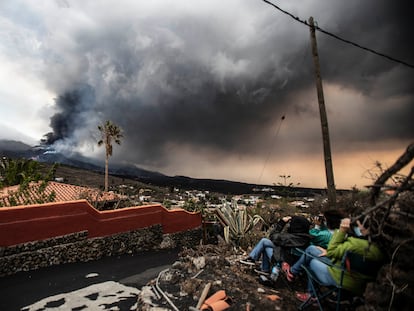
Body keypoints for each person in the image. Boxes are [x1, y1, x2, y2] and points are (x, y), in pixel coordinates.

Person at [295, 217, 385, 302]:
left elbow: (331, 251)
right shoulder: (381, 249)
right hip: (359, 283)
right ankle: (293, 272)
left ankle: (311, 294)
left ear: (366, 228)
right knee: (312, 250)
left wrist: (341, 231)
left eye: (358, 226)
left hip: (343, 280)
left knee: (312, 261)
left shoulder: (356, 244)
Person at [281, 209, 345, 281]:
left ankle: (292, 271)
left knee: (309, 250)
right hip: (331, 256)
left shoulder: (325, 235)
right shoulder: (337, 232)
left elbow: (308, 236)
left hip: (328, 259)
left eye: (324, 219)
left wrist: (317, 227)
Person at [240, 215, 311, 275]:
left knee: (264, 242)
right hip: (289, 258)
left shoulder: (291, 238)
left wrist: (281, 223)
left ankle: (253, 259)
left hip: (282, 260)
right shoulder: (304, 237)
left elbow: (273, 236)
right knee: (265, 244)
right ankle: (264, 269)